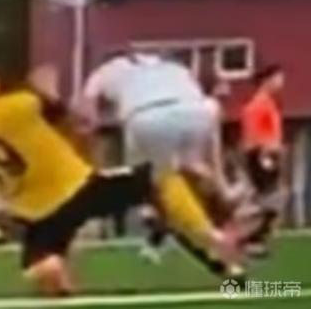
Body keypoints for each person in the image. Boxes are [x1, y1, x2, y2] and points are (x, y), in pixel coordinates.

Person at [0, 59, 152, 296]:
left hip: (39, 212)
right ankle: (182, 228)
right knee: (157, 180)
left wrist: (2, 220)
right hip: (77, 185)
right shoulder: (20, 103)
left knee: (40, 263)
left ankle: (53, 273)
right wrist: (49, 89)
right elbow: (64, 115)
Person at [79, 50, 246, 279]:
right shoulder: (174, 67)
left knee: (161, 181)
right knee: (190, 164)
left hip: (147, 118)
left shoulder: (105, 71)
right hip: (199, 112)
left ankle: (203, 231)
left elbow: (87, 109)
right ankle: (222, 187)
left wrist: (90, 132)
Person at [241, 64, 286, 255]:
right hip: (261, 155)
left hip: (268, 154)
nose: (281, 83)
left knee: (274, 199)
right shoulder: (258, 105)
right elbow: (253, 135)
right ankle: (251, 239)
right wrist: (265, 154)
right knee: (270, 199)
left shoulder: (269, 103)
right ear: (267, 80)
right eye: (278, 78)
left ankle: (255, 239)